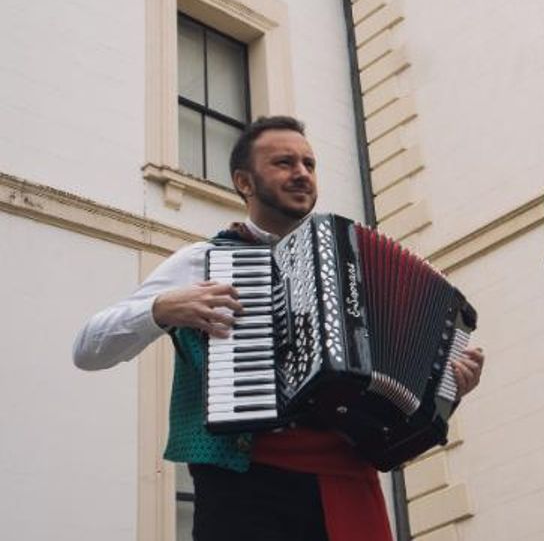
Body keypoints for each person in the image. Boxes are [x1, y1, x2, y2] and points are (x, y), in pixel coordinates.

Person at [73, 115, 485, 541]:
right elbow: (87, 349)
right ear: (244, 182)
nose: (302, 173)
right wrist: (162, 308)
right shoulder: (205, 260)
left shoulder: (354, 267)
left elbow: (394, 419)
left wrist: (446, 390)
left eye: (309, 163)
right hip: (245, 487)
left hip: (347, 481)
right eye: (284, 163)